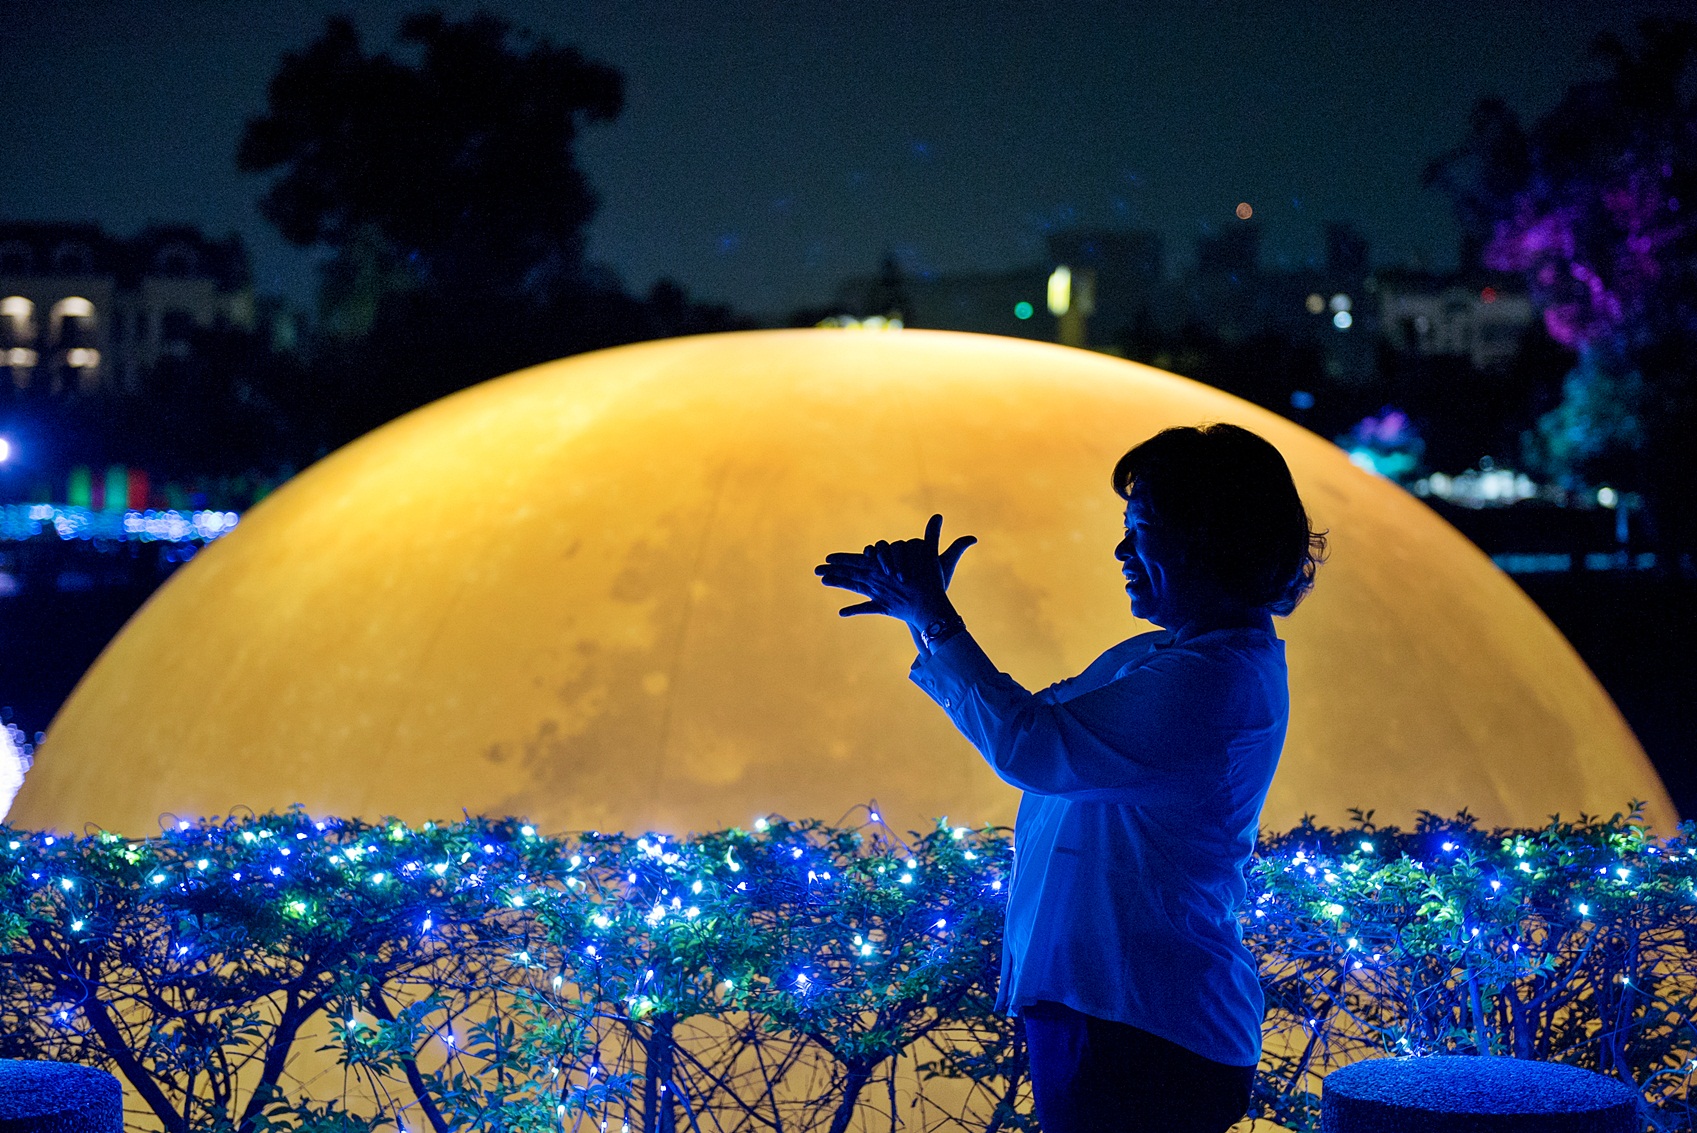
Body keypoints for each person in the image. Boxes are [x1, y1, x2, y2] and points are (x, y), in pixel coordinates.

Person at [814, 423, 1325, 1133]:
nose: (1120, 550)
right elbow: (1032, 724)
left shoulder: (1208, 681)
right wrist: (924, 619)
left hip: (1142, 1025)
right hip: (1122, 1011)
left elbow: (1030, 744)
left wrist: (932, 615)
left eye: (1139, 528)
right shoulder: (1169, 657)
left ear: (1206, 539)